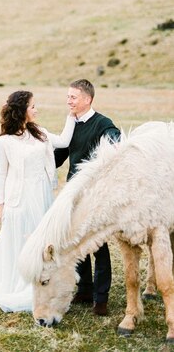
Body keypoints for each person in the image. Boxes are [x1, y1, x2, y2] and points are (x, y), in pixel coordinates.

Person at [0, 89, 76, 312]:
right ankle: (17, 284)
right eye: (33, 106)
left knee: (40, 240)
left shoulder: (39, 133)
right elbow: (1, 174)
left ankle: (39, 282)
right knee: (19, 239)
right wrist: (1, 205)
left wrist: (72, 115)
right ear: (22, 111)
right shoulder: (4, 142)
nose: (37, 110)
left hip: (42, 194)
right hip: (20, 199)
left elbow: (65, 140)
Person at [54, 79, 121, 317]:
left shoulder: (103, 124)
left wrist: (111, 143)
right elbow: (59, 155)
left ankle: (100, 298)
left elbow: (115, 141)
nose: (68, 101)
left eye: (73, 97)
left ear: (87, 99)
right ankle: (83, 289)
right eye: (68, 96)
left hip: (95, 194)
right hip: (73, 192)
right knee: (77, 240)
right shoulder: (71, 124)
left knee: (98, 245)